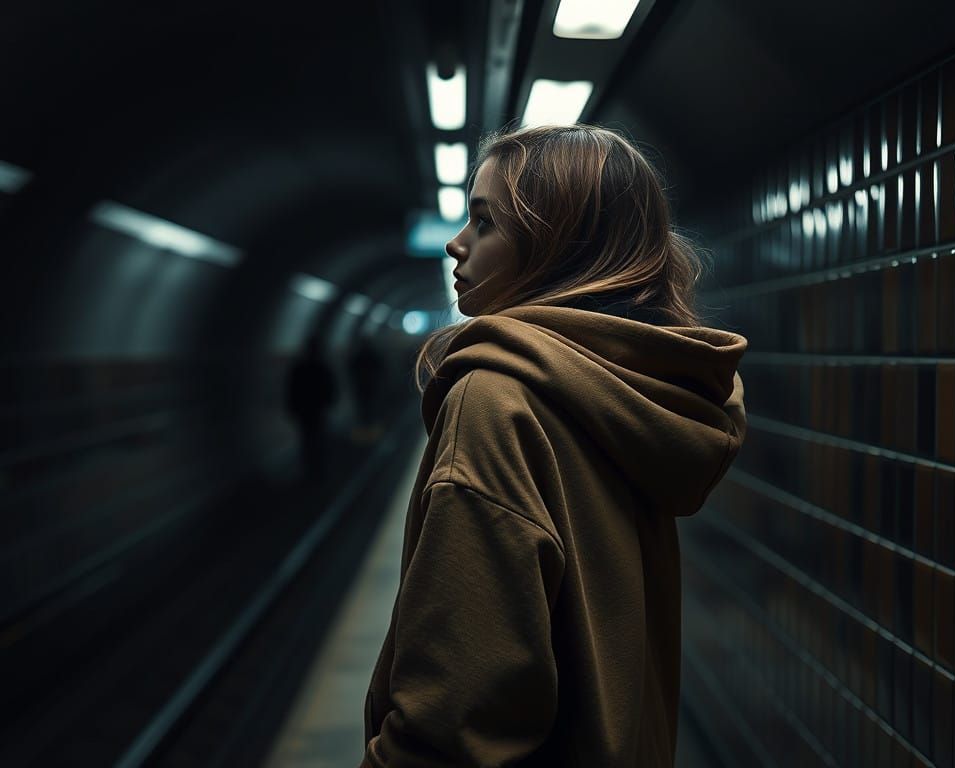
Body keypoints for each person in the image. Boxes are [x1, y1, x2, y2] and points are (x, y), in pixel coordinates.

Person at [360, 123, 748, 767]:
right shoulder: (649, 392)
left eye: (484, 222)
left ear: (557, 248)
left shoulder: (495, 401)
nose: (457, 245)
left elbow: (458, 715)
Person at [286, 333, 338, 479]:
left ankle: (311, 471)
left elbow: (292, 389)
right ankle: (318, 471)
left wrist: (293, 408)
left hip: (305, 410)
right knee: (317, 439)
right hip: (317, 409)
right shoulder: (321, 367)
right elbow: (330, 387)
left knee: (308, 440)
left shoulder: (300, 368)